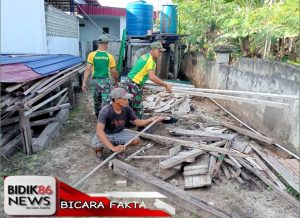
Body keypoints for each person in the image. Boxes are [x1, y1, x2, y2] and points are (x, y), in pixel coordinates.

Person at [91, 87, 163, 163]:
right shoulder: (105, 111)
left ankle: (118, 147)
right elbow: (99, 132)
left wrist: (151, 119)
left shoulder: (126, 108)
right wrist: (112, 148)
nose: (127, 101)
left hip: (119, 132)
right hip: (106, 134)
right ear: (117, 100)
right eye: (125, 99)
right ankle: (99, 152)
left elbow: (138, 122)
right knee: (96, 146)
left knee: (136, 140)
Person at [123, 41, 172, 119]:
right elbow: (152, 77)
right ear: (153, 49)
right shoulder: (151, 61)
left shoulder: (144, 56)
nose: (160, 53)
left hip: (129, 81)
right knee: (138, 107)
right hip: (134, 84)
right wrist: (166, 85)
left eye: (161, 52)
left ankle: (128, 122)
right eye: (159, 51)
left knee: (128, 104)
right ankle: (140, 125)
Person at [82, 34, 119, 118]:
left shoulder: (91, 55)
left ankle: (98, 116)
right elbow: (114, 72)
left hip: (95, 81)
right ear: (106, 44)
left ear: (98, 44)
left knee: (96, 100)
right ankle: (104, 118)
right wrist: (116, 81)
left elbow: (88, 69)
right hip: (106, 81)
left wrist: (84, 82)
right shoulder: (110, 57)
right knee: (106, 101)